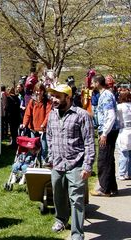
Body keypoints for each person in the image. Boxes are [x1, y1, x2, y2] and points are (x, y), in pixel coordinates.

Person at [46, 84, 95, 239]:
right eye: (52, 96)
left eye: (58, 97)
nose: (54, 99)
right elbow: (49, 136)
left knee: (77, 201)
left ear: (68, 97)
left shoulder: (82, 115)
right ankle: (61, 219)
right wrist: (51, 156)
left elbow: (89, 142)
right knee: (58, 196)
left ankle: (77, 234)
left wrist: (87, 166)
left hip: (77, 164)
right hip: (57, 164)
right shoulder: (52, 114)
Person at [90, 75, 119, 196]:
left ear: (97, 83)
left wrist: (105, 133)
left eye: (92, 82)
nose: (91, 84)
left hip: (108, 131)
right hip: (109, 130)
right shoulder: (105, 95)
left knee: (103, 160)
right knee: (109, 159)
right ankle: (112, 187)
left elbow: (110, 115)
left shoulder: (106, 96)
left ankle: (104, 188)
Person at [22, 83, 52, 165]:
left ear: (43, 91)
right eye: (37, 91)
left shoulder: (47, 102)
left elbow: (48, 114)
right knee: (33, 147)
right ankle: (33, 162)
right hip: (33, 128)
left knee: (44, 147)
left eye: (40, 91)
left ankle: (43, 161)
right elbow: (27, 113)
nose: (38, 93)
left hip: (43, 129)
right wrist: (24, 124)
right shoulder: (32, 101)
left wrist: (44, 124)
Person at [116, 90, 131, 180]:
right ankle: (129, 173)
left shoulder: (119, 107)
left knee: (123, 152)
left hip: (124, 130)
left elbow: (116, 118)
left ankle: (121, 173)